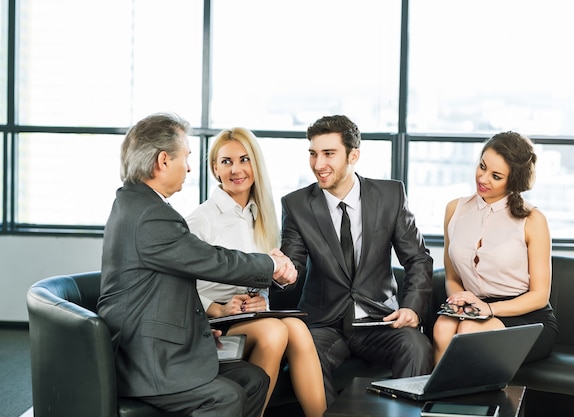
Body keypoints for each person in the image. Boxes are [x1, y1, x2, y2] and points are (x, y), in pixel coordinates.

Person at [97, 113, 297, 417]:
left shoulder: (139, 204)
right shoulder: (150, 215)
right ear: (164, 160)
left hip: (161, 344)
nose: (189, 167)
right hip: (147, 362)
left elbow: (170, 283)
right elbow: (213, 260)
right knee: (226, 397)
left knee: (254, 380)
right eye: (186, 157)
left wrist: (198, 328)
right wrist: (270, 264)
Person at [280, 114, 434, 405]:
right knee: (306, 352)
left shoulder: (391, 195)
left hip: (379, 320)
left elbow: (418, 259)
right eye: (313, 154)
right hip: (324, 324)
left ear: (354, 155)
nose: (318, 164)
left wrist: (412, 308)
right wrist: (281, 272)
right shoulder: (296, 204)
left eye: (328, 154)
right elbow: (294, 265)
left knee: (417, 347)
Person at [186, 127, 326, 417]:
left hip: (248, 318)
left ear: (255, 165)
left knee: (297, 329)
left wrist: (263, 299)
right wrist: (218, 308)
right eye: (226, 161)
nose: (236, 169)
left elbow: (258, 281)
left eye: (244, 159)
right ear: (215, 169)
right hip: (211, 326)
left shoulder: (261, 218)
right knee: (274, 331)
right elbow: (177, 287)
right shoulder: (200, 220)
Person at [433, 131, 558, 365]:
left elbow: (539, 296)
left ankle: (470, 401)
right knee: (442, 328)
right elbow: (452, 277)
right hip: (473, 306)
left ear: (514, 181)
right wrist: (459, 300)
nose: (483, 178)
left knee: (469, 332)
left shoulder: (533, 219)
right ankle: (433, 398)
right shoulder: (455, 210)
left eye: (496, 176)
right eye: (482, 166)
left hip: (526, 317)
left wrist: (488, 309)